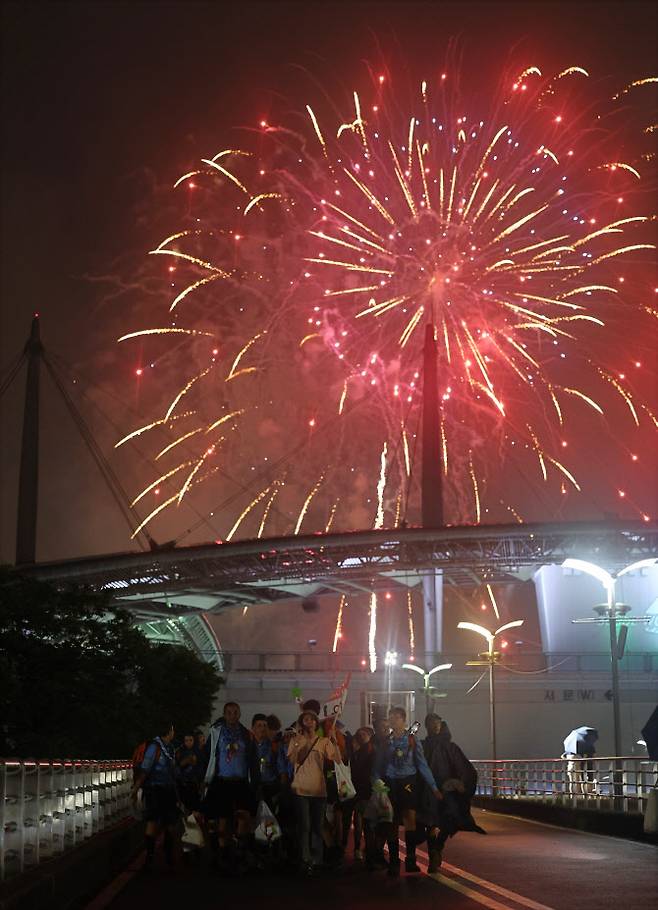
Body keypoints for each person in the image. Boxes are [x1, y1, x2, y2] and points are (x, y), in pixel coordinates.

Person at [374, 706, 442, 876]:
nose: (392, 720)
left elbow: (422, 764)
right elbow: (378, 766)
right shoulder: (386, 742)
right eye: (391, 717)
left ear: (403, 720)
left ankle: (411, 859)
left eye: (396, 717)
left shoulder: (412, 740)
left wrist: (433, 787)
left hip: (408, 782)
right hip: (390, 782)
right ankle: (394, 862)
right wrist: (376, 783)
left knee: (409, 818)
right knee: (392, 821)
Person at [419, 714, 482, 872]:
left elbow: (464, 768)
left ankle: (437, 848)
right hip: (429, 790)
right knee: (431, 822)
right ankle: (434, 852)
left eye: (438, 723)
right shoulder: (423, 746)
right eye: (432, 724)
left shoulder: (450, 747)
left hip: (448, 791)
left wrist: (459, 782)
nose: (436, 726)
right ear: (427, 726)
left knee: (448, 820)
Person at [202, 701, 255, 871]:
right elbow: (207, 756)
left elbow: (252, 759)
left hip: (240, 781)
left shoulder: (246, 734)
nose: (232, 715)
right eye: (229, 712)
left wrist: (255, 781)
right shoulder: (216, 732)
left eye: (235, 712)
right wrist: (203, 779)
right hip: (222, 781)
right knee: (222, 821)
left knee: (244, 817)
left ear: (239, 714)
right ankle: (222, 855)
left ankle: (239, 853)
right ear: (225, 715)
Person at [287, 709, 341, 876]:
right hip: (301, 788)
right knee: (304, 826)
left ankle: (317, 860)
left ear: (316, 723)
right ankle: (305, 859)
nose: (309, 721)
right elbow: (293, 760)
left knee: (317, 826)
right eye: (305, 719)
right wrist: (299, 743)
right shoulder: (296, 739)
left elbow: (337, 759)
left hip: (319, 790)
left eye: (312, 719)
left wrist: (333, 739)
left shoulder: (323, 741)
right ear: (301, 722)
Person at [131, 722, 179, 870]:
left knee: (170, 824)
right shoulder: (155, 747)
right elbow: (145, 769)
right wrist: (136, 789)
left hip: (168, 790)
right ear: (169, 731)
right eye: (172, 729)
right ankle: (149, 858)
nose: (174, 732)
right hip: (155, 790)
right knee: (152, 822)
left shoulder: (169, 747)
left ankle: (168, 855)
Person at [342, 726, 376, 863]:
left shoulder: (372, 751)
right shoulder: (351, 750)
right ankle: (353, 848)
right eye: (360, 734)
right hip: (351, 789)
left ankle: (365, 849)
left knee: (363, 820)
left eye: (365, 734)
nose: (362, 736)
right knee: (354, 820)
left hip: (365, 789)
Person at [176, 733, 202, 814]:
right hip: (183, 784)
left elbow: (200, 767)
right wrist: (186, 760)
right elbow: (178, 765)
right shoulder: (180, 752)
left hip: (194, 784)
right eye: (186, 740)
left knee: (195, 809)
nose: (188, 742)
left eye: (190, 740)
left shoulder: (198, 752)